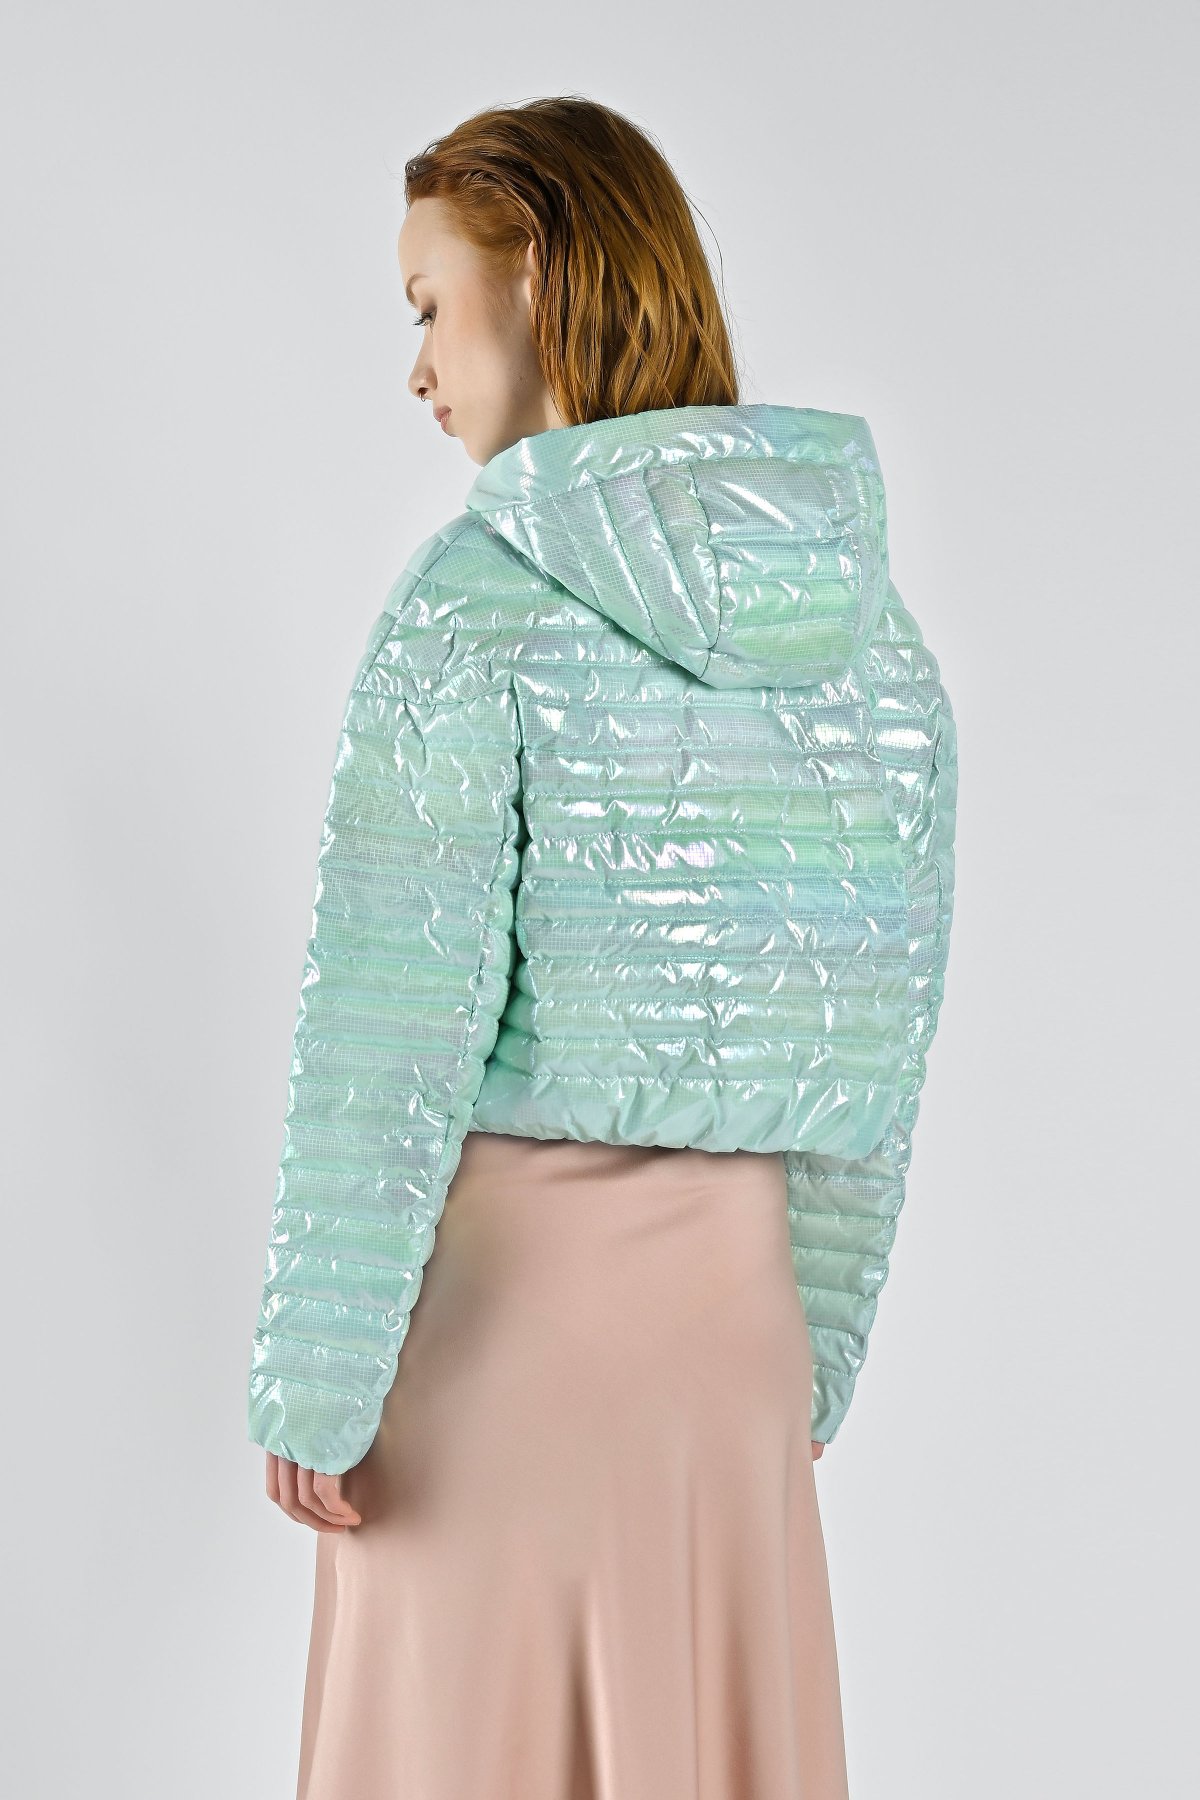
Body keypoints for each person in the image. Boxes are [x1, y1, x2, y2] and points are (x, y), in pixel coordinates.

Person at [246, 95, 958, 1800]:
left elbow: (389, 1024)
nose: (417, 369)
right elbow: (874, 1047)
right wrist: (812, 1358)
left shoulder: (472, 604)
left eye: (429, 305)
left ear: (538, 275)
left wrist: (316, 1374)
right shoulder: (868, 641)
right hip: (732, 1348)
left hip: (507, 1342)